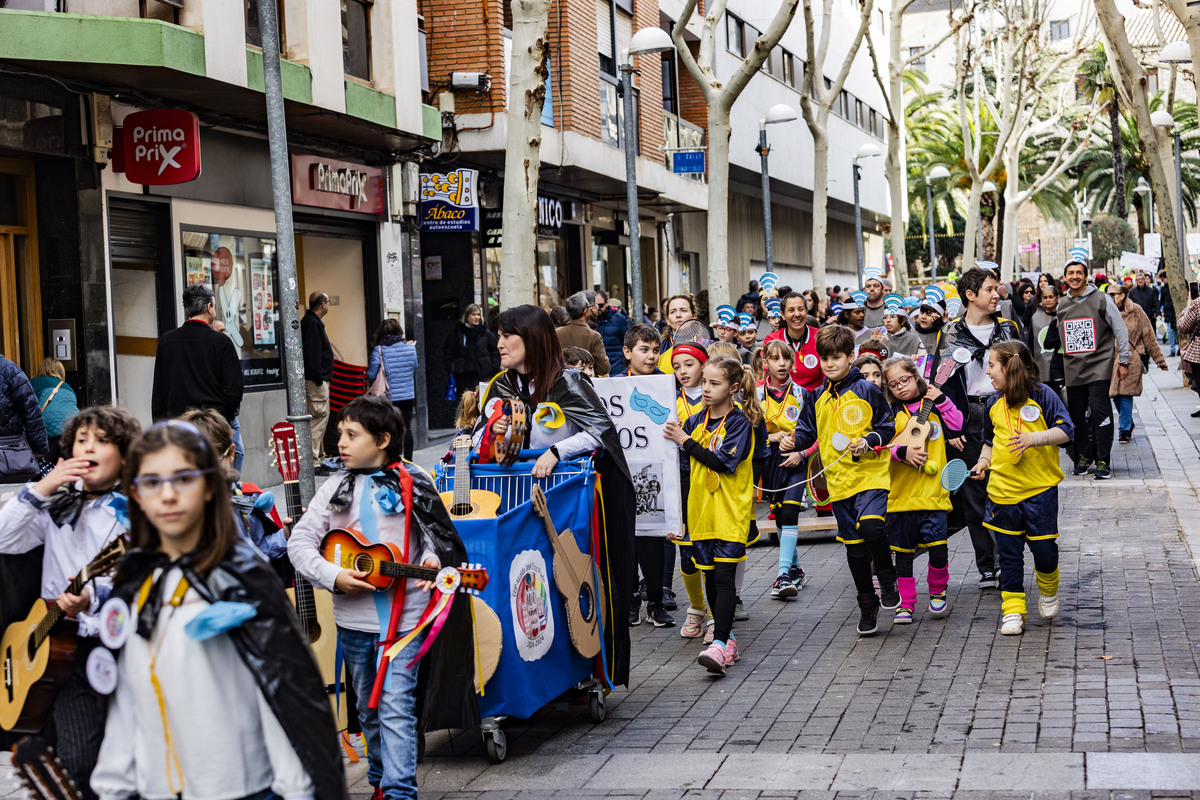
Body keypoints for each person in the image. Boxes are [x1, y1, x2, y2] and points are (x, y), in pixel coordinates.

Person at [91, 420, 346, 800]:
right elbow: (127, 699)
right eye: (152, 482)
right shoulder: (134, 583)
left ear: (210, 487)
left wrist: (301, 791)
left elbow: (286, 700)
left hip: (240, 789)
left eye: (183, 478)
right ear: (136, 495)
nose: (168, 495)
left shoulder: (241, 578)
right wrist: (111, 786)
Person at [290, 397, 475, 800]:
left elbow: (434, 543)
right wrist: (334, 574)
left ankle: (399, 792)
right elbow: (299, 542)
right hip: (353, 624)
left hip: (405, 624)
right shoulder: (334, 486)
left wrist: (431, 564)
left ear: (383, 439)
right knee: (369, 711)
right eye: (340, 433)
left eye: (351, 435)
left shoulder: (414, 480)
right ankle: (379, 777)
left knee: (395, 708)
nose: (340, 442)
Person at [477, 305, 636, 685]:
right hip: (516, 498)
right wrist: (494, 429)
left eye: (506, 335)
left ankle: (583, 666)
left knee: (568, 580)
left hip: (568, 504)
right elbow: (481, 441)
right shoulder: (499, 385)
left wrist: (555, 452)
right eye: (498, 335)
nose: (498, 343)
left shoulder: (568, 381)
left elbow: (600, 431)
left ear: (531, 338)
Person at [0, 406, 141, 800]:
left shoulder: (135, 513)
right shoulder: (55, 503)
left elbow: (141, 582)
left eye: (101, 441)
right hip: (47, 646)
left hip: (105, 645)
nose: (88, 447)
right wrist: (43, 487)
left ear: (126, 455)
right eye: (81, 440)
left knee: (96, 759)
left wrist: (93, 596)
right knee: (63, 757)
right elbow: (3, 538)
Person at [794, 325, 900, 637]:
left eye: (836, 358)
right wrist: (793, 442)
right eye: (824, 358)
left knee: (871, 526)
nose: (829, 364)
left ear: (850, 357)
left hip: (870, 475)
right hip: (838, 483)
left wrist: (869, 440)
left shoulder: (867, 389)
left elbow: (887, 425)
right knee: (854, 548)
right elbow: (805, 430)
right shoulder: (815, 396)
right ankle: (868, 605)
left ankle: (888, 576)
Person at [663, 355, 759, 676]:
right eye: (704, 381)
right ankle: (726, 639)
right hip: (701, 515)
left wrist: (684, 441)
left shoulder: (738, 423)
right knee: (708, 578)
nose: (705, 388)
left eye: (714, 383)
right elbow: (676, 465)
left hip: (730, 514)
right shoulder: (693, 423)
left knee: (724, 577)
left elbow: (720, 462)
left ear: (733, 388)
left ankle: (719, 643)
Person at [970, 341, 1073, 636]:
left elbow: (1067, 431)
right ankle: (1013, 610)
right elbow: (989, 444)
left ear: (1009, 367)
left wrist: (1033, 439)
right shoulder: (992, 403)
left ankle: (1049, 588)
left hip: (1039, 491)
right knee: (1010, 556)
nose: (987, 371)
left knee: (1045, 551)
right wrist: (982, 464)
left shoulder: (1043, 395)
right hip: (1001, 493)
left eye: (991, 365)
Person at [938, 266, 1020, 589]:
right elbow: (940, 382)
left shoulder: (1009, 328)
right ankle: (987, 565)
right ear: (970, 296)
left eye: (996, 288)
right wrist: (950, 427)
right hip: (968, 415)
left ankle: (1007, 560)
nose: (996, 294)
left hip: (1005, 409)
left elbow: (1025, 369)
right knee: (974, 492)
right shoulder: (950, 334)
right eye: (989, 289)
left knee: (1006, 488)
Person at [882, 355, 962, 625]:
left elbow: (958, 424)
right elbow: (879, 449)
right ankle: (907, 603)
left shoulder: (934, 406)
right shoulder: (889, 413)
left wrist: (942, 399)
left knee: (938, 549)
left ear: (916, 377)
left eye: (904, 380)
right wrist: (900, 453)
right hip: (901, 496)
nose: (900, 387)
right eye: (893, 385)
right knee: (903, 555)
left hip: (933, 494)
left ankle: (938, 591)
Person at [1049, 258, 1130, 480]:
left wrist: (1124, 361)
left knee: (1099, 411)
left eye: (1079, 272)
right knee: (1076, 414)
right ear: (1064, 278)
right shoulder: (1061, 304)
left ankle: (1103, 459)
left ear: (1086, 276)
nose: (1074, 276)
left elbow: (1120, 330)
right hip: (1073, 369)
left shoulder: (1102, 299)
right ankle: (1084, 456)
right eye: (1070, 273)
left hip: (1099, 367)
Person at [179, 408, 288, 562]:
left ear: (231, 454)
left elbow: (258, 549)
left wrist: (285, 536)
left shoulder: (243, 499)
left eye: (213, 464)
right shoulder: (173, 506)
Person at [758, 340, 811, 600]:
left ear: (793, 362)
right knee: (780, 518)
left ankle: (781, 575)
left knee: (790, 510)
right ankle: (796, 568)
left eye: (786, 359)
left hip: (796, 461)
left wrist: (799, 446)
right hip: (769, 462)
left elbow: (814, 433)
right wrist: (774, 438)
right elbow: (751, 435)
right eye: (775, 359)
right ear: (764, 362)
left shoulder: (802, 394)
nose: (781, 364)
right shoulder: (756, 395)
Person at [151, 284, 244, 426]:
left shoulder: (167, 341)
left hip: (177, 426)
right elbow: (234, 388)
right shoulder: (221, 342)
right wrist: (223, 418)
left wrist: (160, 425)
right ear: (209, 307)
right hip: (212, 425)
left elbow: (159, 390)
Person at [671, 341, 710, 640]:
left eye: (689, 364)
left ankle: (720, 609)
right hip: (680, 479)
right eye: (676, 366)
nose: (683, 371)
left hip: (711, 480)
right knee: (685, 550)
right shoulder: (668, 399)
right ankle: (697, 608)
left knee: (709, 547)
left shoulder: (716, 395)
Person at [1109, 283, 1168, 443]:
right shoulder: (1106, 311)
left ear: (1123, 295)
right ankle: (1127, 422)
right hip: (1110, 361)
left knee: (1126, 395)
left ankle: (1124, 430)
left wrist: (1159, 360)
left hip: (1131, 358)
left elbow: (1149, 336)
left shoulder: (1136, 311)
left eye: (1113, 294)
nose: (1111, 297)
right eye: (1109, 294)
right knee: (1115, 395)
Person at [368, 319, 420, 461]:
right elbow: (415, 367)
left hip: (388, 396)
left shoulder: (379, 349)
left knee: (389, 428)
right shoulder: (410, 347)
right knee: (407, 427)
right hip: (407, 394)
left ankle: (392, 459)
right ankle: (408, 460)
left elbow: (372, 374)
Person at [0, 353, 50, 479]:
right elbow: (30, 411)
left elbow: (30, 411)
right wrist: (39, 448)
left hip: (9, 454)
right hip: (10, 454)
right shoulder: (9, 370)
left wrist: (39, 446)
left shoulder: (8, 370)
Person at [763, 292, 824, 391]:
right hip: (783, 399)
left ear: (806, 312)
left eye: (801, 309)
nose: (797, 314)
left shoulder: (821, 337)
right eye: (791, 310)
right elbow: (764, 373)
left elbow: (828, 374)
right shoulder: (773, 339)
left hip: (816, 399)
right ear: (782, 315)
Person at [301, 291, 335, 465]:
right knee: (318, 419)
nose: (328, 305)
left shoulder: (312, 323)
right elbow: (312, 354)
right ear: (323, 304)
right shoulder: (311, 324)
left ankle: (319, 458)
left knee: (321, 419)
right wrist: (319, 378)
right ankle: (314, 460)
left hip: (317, 380)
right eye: (327, 302)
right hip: (316, 381)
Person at [444, 303, 502, 401]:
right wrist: (453, 368)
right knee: (466, 406)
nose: (476, 317)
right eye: (473, 314)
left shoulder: (486, 333)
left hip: (483, 376)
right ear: (467, 316)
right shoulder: (457, 333)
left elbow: (495, 350)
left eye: (478, 314)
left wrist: (492, 367)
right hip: (463, 377)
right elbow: (448, 352)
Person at [31, 358, 78, 464]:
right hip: (71, 429)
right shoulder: (69, 388)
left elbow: (27, 408)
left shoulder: (34, 383)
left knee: (43, 467)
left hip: (47, 430)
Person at [556, 291, 611, 376]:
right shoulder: (593, 336)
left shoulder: (557, 333)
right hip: (586, 384)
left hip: (562, 381)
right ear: (585, 311)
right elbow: (603, 368)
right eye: (589, 306)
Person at [1031, 284, 1066, 397]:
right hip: (1042, 365)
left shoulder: (1065, 315)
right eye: (1045, 297)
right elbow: (1031, 342)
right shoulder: (1035, 317)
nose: (1048, 300)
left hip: (1062, 365)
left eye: (1051, 297)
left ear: (1057, 298)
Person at [659, 294, 700, 372]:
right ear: (667, 320)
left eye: (683, 310)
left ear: (694, 317)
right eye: (673, 312)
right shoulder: (659, 349)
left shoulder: (708, 345)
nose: (678, 315)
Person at [595, 291, 630, 375]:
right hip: (598, 365)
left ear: (607, 303)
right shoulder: (592, 320)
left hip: (616, 365)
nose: (598, 308)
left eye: (600, 305)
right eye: (596, 305)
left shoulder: (619, 319)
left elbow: (626, 341)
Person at [1159, 271, 1178, 356]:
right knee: (1170, 331)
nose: (1163, 281)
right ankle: (1172, 349)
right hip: (1168, 312)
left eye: (1163, 279)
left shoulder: (1175, 286)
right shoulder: (1163, 289)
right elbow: (1161, 301)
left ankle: (1178, 349)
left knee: (1176, 331)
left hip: (1175, 312)